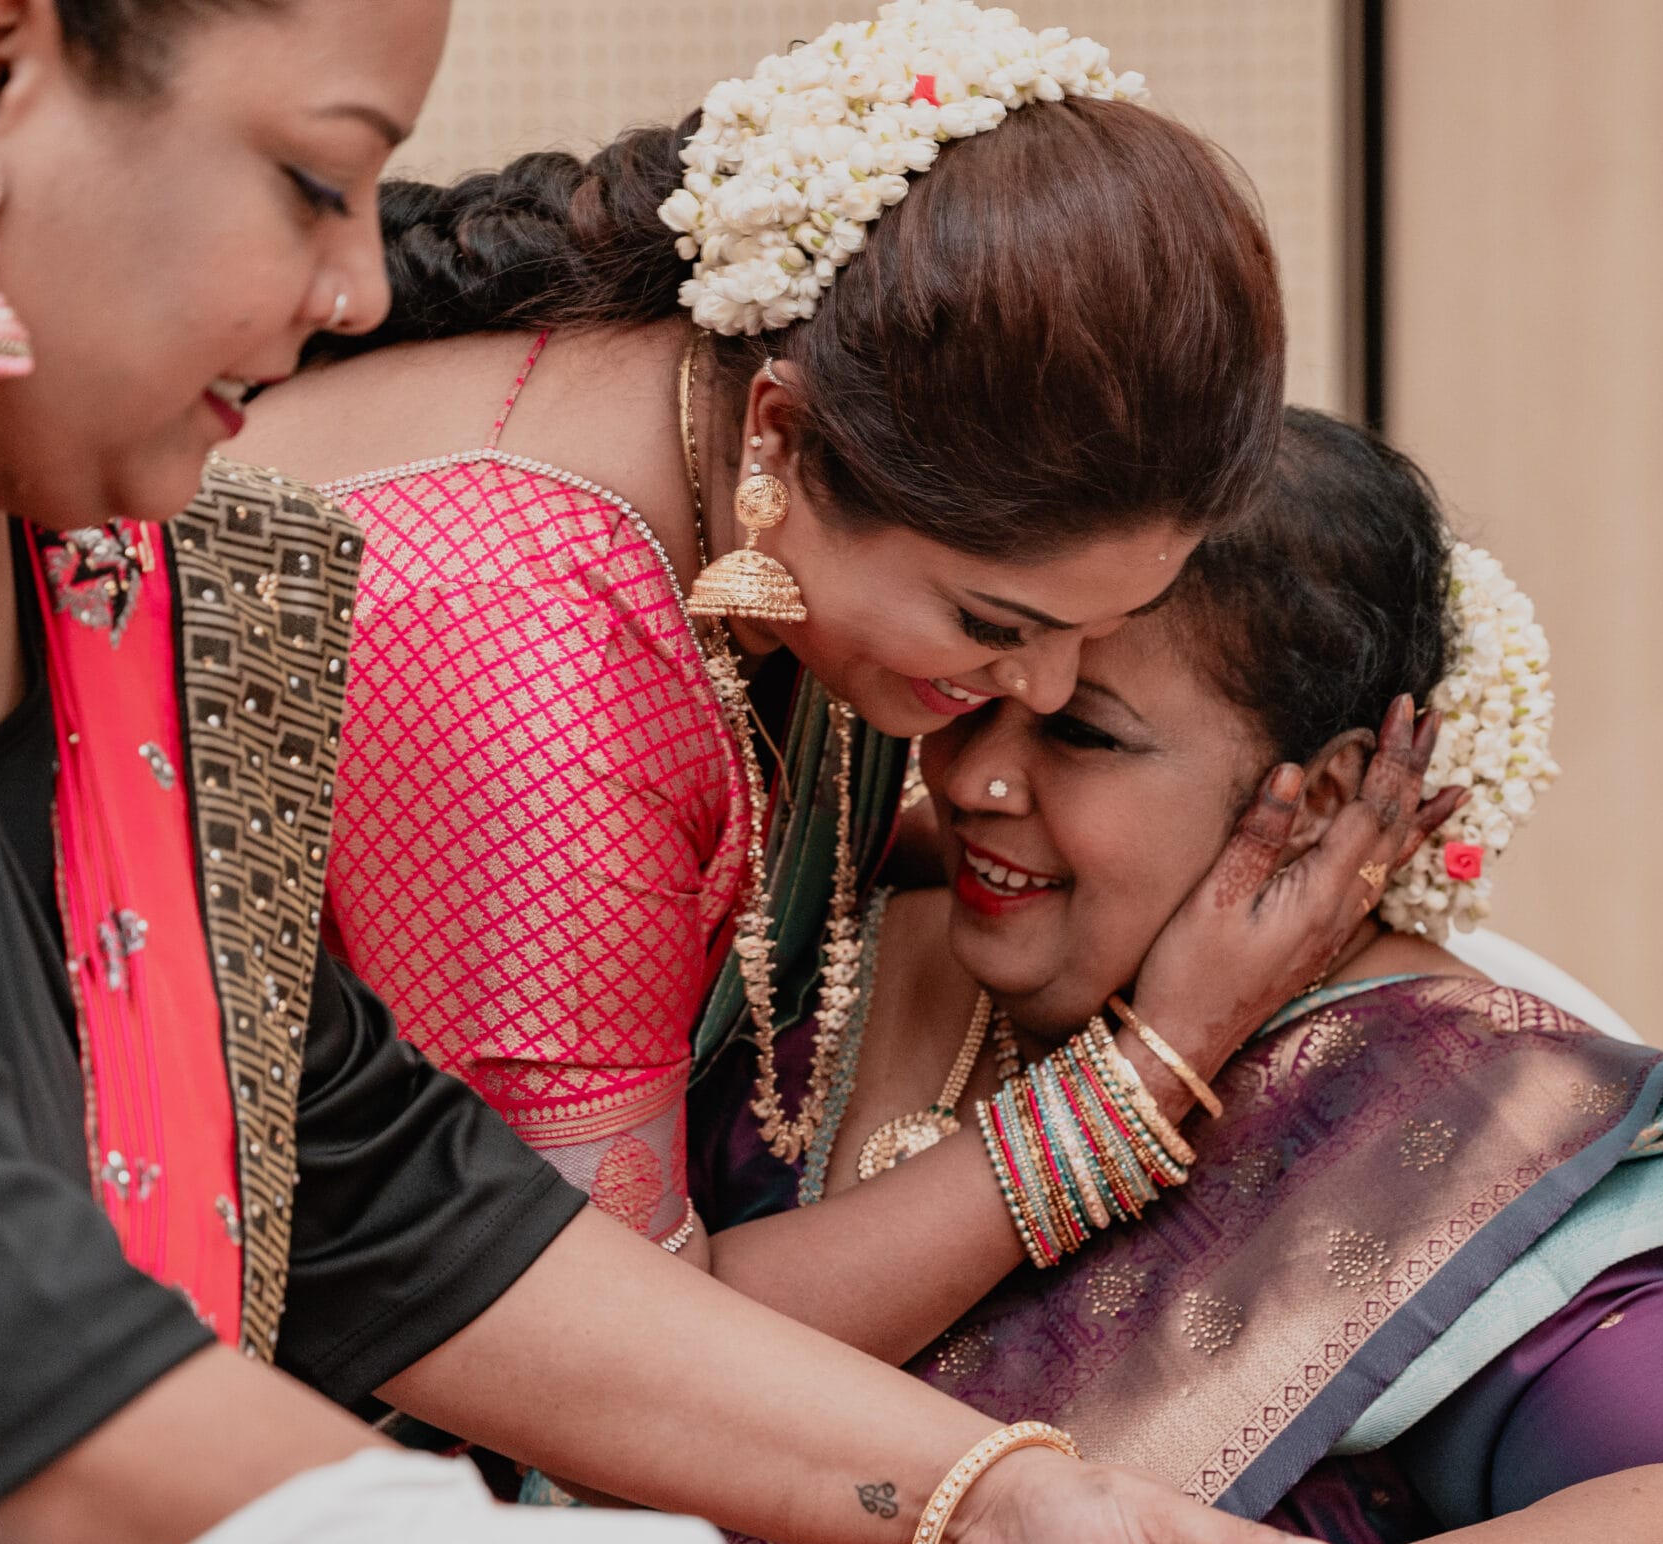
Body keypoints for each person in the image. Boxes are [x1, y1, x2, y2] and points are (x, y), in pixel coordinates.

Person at [0, 6, 1419, 1544]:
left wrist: (986, 1491)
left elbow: (369, 1178)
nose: (357, 287)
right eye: (313, 179)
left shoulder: (87, 553)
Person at [689, 412, 1663, 1544]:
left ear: (1324, 794)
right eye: (977, 692)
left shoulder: (1443, 1106)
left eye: (1083, 734)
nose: (978, 778)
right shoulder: (825, 952)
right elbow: (597, 1339)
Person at [231, 1, 1317, 1257]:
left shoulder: (683, 385)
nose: (1041, 682)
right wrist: (1141, 1077)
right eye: (993, 621)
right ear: (782, 436)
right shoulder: (530, 667)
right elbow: (598, 1329)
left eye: (1098, 633)